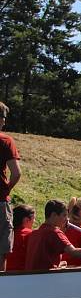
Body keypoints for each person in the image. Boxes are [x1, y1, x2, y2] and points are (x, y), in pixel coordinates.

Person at [25, 200, 81, 271]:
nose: (67, 219)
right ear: (54, 215)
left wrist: (59, 264)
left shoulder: (35, 233)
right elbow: (75, 253)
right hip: (47, 277)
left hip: (34, 275)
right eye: (64, 215)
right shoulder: (55, 232)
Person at [0, 102, 21, 271]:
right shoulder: (5, 140)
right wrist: (7, 188)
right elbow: (16, 173)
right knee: (2, 250)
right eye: (3, 118)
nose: (4, 123)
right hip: (0, 201)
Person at [5, 205, 34, 272]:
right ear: (26, 220)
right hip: (23, 274)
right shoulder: (30, 234)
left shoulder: (6, 234)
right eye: (33, 219)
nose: (34, 221)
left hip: (5, 274)